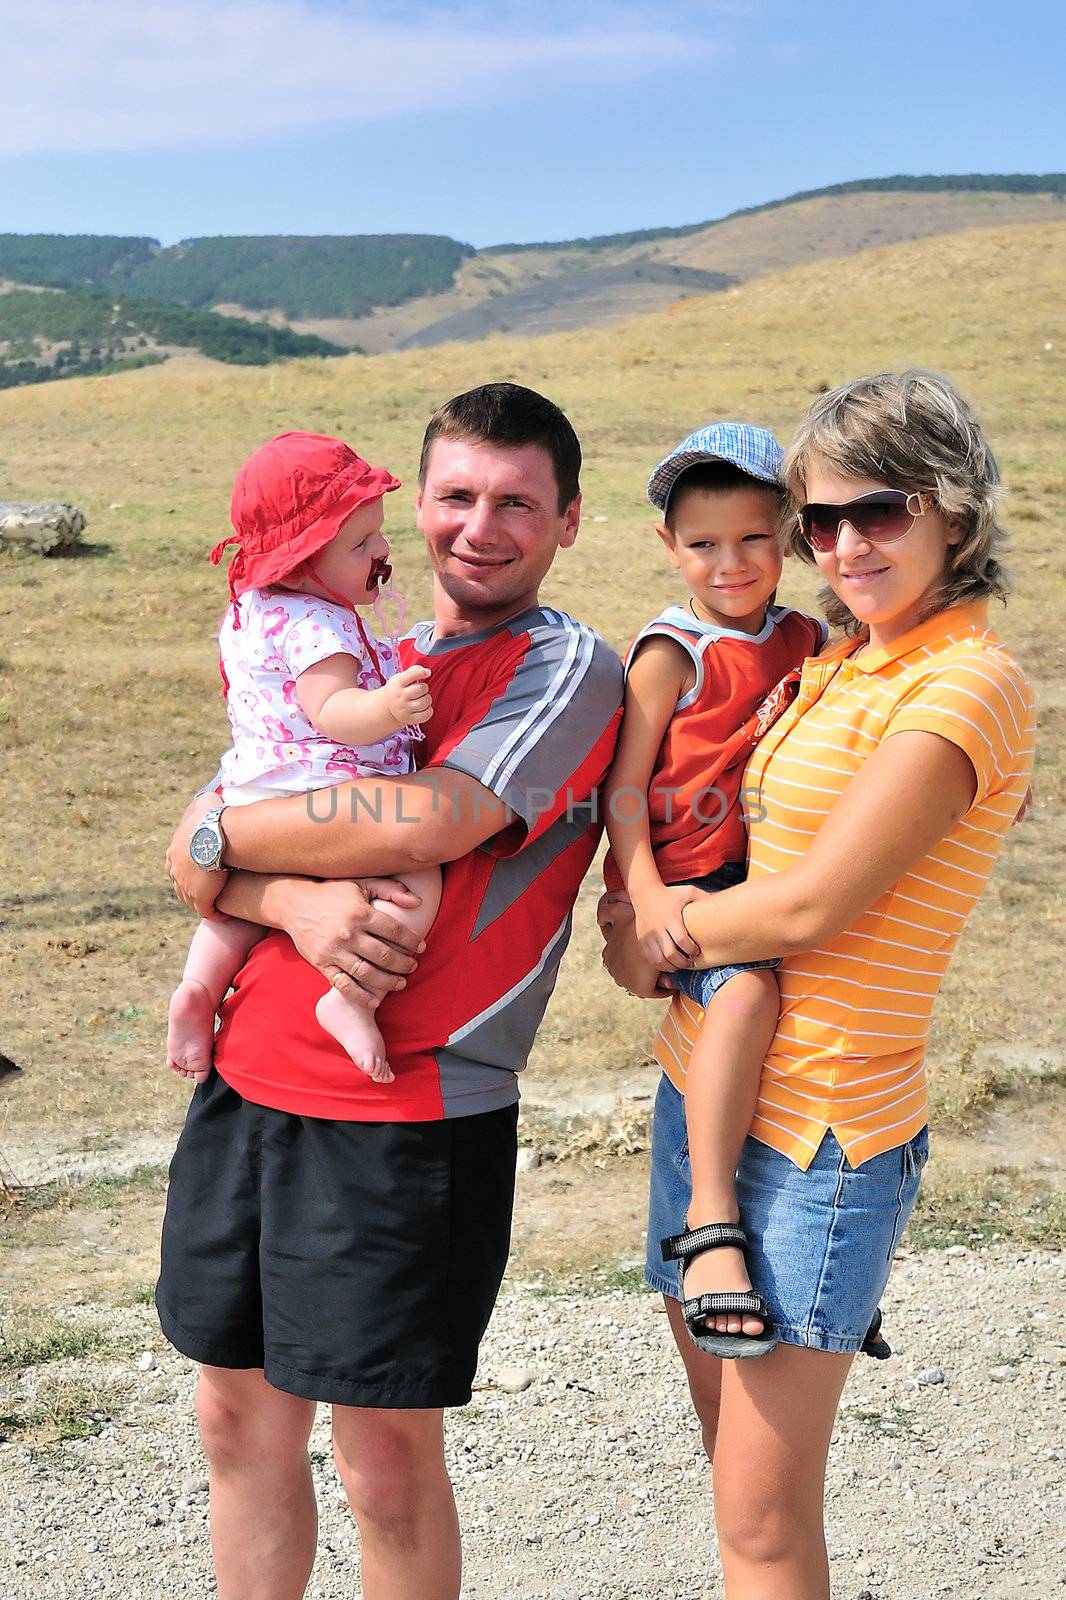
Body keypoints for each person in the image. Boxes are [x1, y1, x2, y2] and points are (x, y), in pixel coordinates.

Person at [160, 382, 623, 1600]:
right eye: (457, 496)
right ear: (412, 508)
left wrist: (233, 846)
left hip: (408, 1112)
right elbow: (186, 852)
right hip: (251, 1077)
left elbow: (430, 816)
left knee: (383, 1463)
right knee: (234, 1421)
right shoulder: (373, 662)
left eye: (517, 502)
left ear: (569, 520)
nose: (481, 526)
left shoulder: (565, 665)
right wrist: (288, 899)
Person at [600, 369, 1035, 1599]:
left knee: (762, 1526)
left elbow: (808, 906)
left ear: (952, 509)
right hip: (708, 1102)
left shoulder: (967, 684)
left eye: (879, 510)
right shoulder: (840, 659)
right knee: (738, 1489)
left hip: (821, 1132)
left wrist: (655, 932)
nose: (844, 544)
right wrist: (640, 905)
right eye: (822, 521)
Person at [603, 423, 825, 1355]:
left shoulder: (810, 638)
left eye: (753, 539)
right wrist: (646, 898)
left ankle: (816, 1257)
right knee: (743, 998)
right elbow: (620, 788)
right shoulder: (672, 650)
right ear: (670, 547)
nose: (729, 564)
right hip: (686, 882)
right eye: (703, 544)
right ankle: (711, 1217)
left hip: (765, 875)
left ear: (789, 536)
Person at [166, 430, 438, 1087]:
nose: (382, 550)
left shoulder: (250, 609)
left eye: (378, 532)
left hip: (252, 790)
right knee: (420, 873)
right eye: (360, 543)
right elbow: (334, 711)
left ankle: (199, 988)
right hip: (327, 791)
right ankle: (352, 997)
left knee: (231, 920)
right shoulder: (321, 625)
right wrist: (390, 709)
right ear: (303, 561)